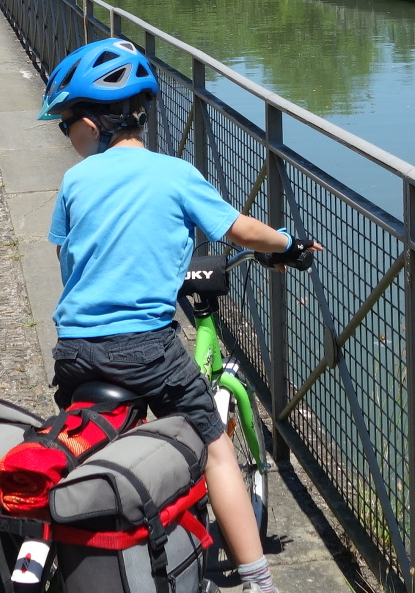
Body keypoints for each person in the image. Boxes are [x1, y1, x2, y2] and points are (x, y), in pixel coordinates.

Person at [41, 37, 319, 593]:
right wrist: (287, 244)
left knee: (85, 440)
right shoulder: (174, 174)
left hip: (74, 350)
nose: (66, 134)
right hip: (146, 349)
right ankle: (258, 580)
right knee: (215, 448)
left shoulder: (75, 181)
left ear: (91, 126)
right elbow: (240, 230)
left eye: (65, 124)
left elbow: (67, 260)